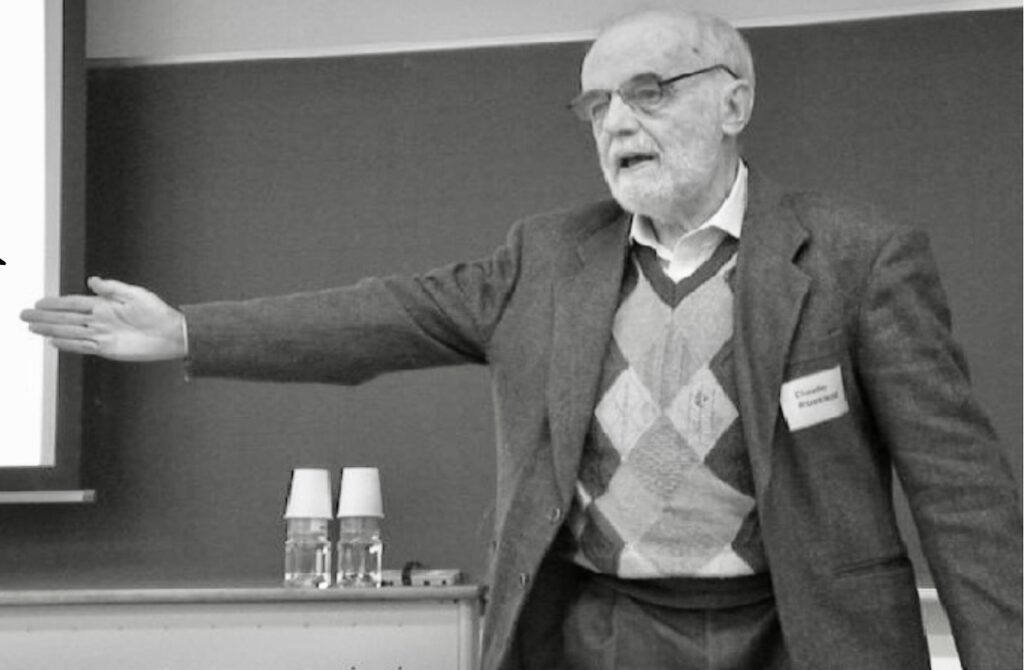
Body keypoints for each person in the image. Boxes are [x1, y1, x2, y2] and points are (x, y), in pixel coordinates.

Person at [20, 8, 1021, 670]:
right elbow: (379, 317)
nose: (616, 122)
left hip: (800, 633)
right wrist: (187, 329)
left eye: (650, 91)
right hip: (606, 632)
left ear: (734, 101)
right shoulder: (547, 260)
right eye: (596, 104)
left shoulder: (855, 257)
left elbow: (962, 493)